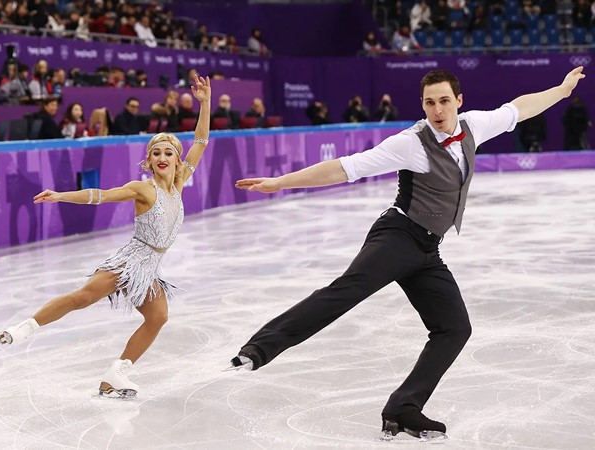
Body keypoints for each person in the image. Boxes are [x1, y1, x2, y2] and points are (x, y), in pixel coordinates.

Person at [227, 67, 586, 440]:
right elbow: (347, 168)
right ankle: (259, 349)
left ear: (458, 101)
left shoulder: (474, 126)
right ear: (423, 105)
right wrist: (281, 182)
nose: (438, 109)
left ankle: (404, 407)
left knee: (454, 328)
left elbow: (518, 109)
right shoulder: (411, 143)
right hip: (397, 236)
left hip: (428, 250)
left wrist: (561, 91)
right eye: (430, 102)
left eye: (445, 100)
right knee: (347, 291)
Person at [0, 76, 212, 398]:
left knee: (158, 317)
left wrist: (205, 103)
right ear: (149, 161)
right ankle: (27, 326)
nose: (162, 157)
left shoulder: (179, 182)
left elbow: (201, 142)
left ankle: (116, 374)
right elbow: (101, 195)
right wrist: (60, 196)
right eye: (156, 153)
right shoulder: (143, 188)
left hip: (150, 268)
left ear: (177, 160)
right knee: (83, 297)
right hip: (130, 261)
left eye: (168, 152)